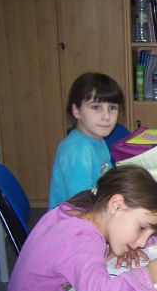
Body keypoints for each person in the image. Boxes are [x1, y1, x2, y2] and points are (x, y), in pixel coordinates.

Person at [8, 165, 157, 291]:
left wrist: (125, 244)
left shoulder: (78, 211)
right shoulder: (80, 239)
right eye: (142, 228)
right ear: (116, 205)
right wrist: (149, 275)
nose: (143, 243)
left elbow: (79, 259)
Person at [48, 72, 125, 210]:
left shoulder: (96, 139)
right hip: (73, 224)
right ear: (76, 110)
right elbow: (82, 206)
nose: (107, 116)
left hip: (96, 210)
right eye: (96, 107)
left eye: (112, 107)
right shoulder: (76, 151)